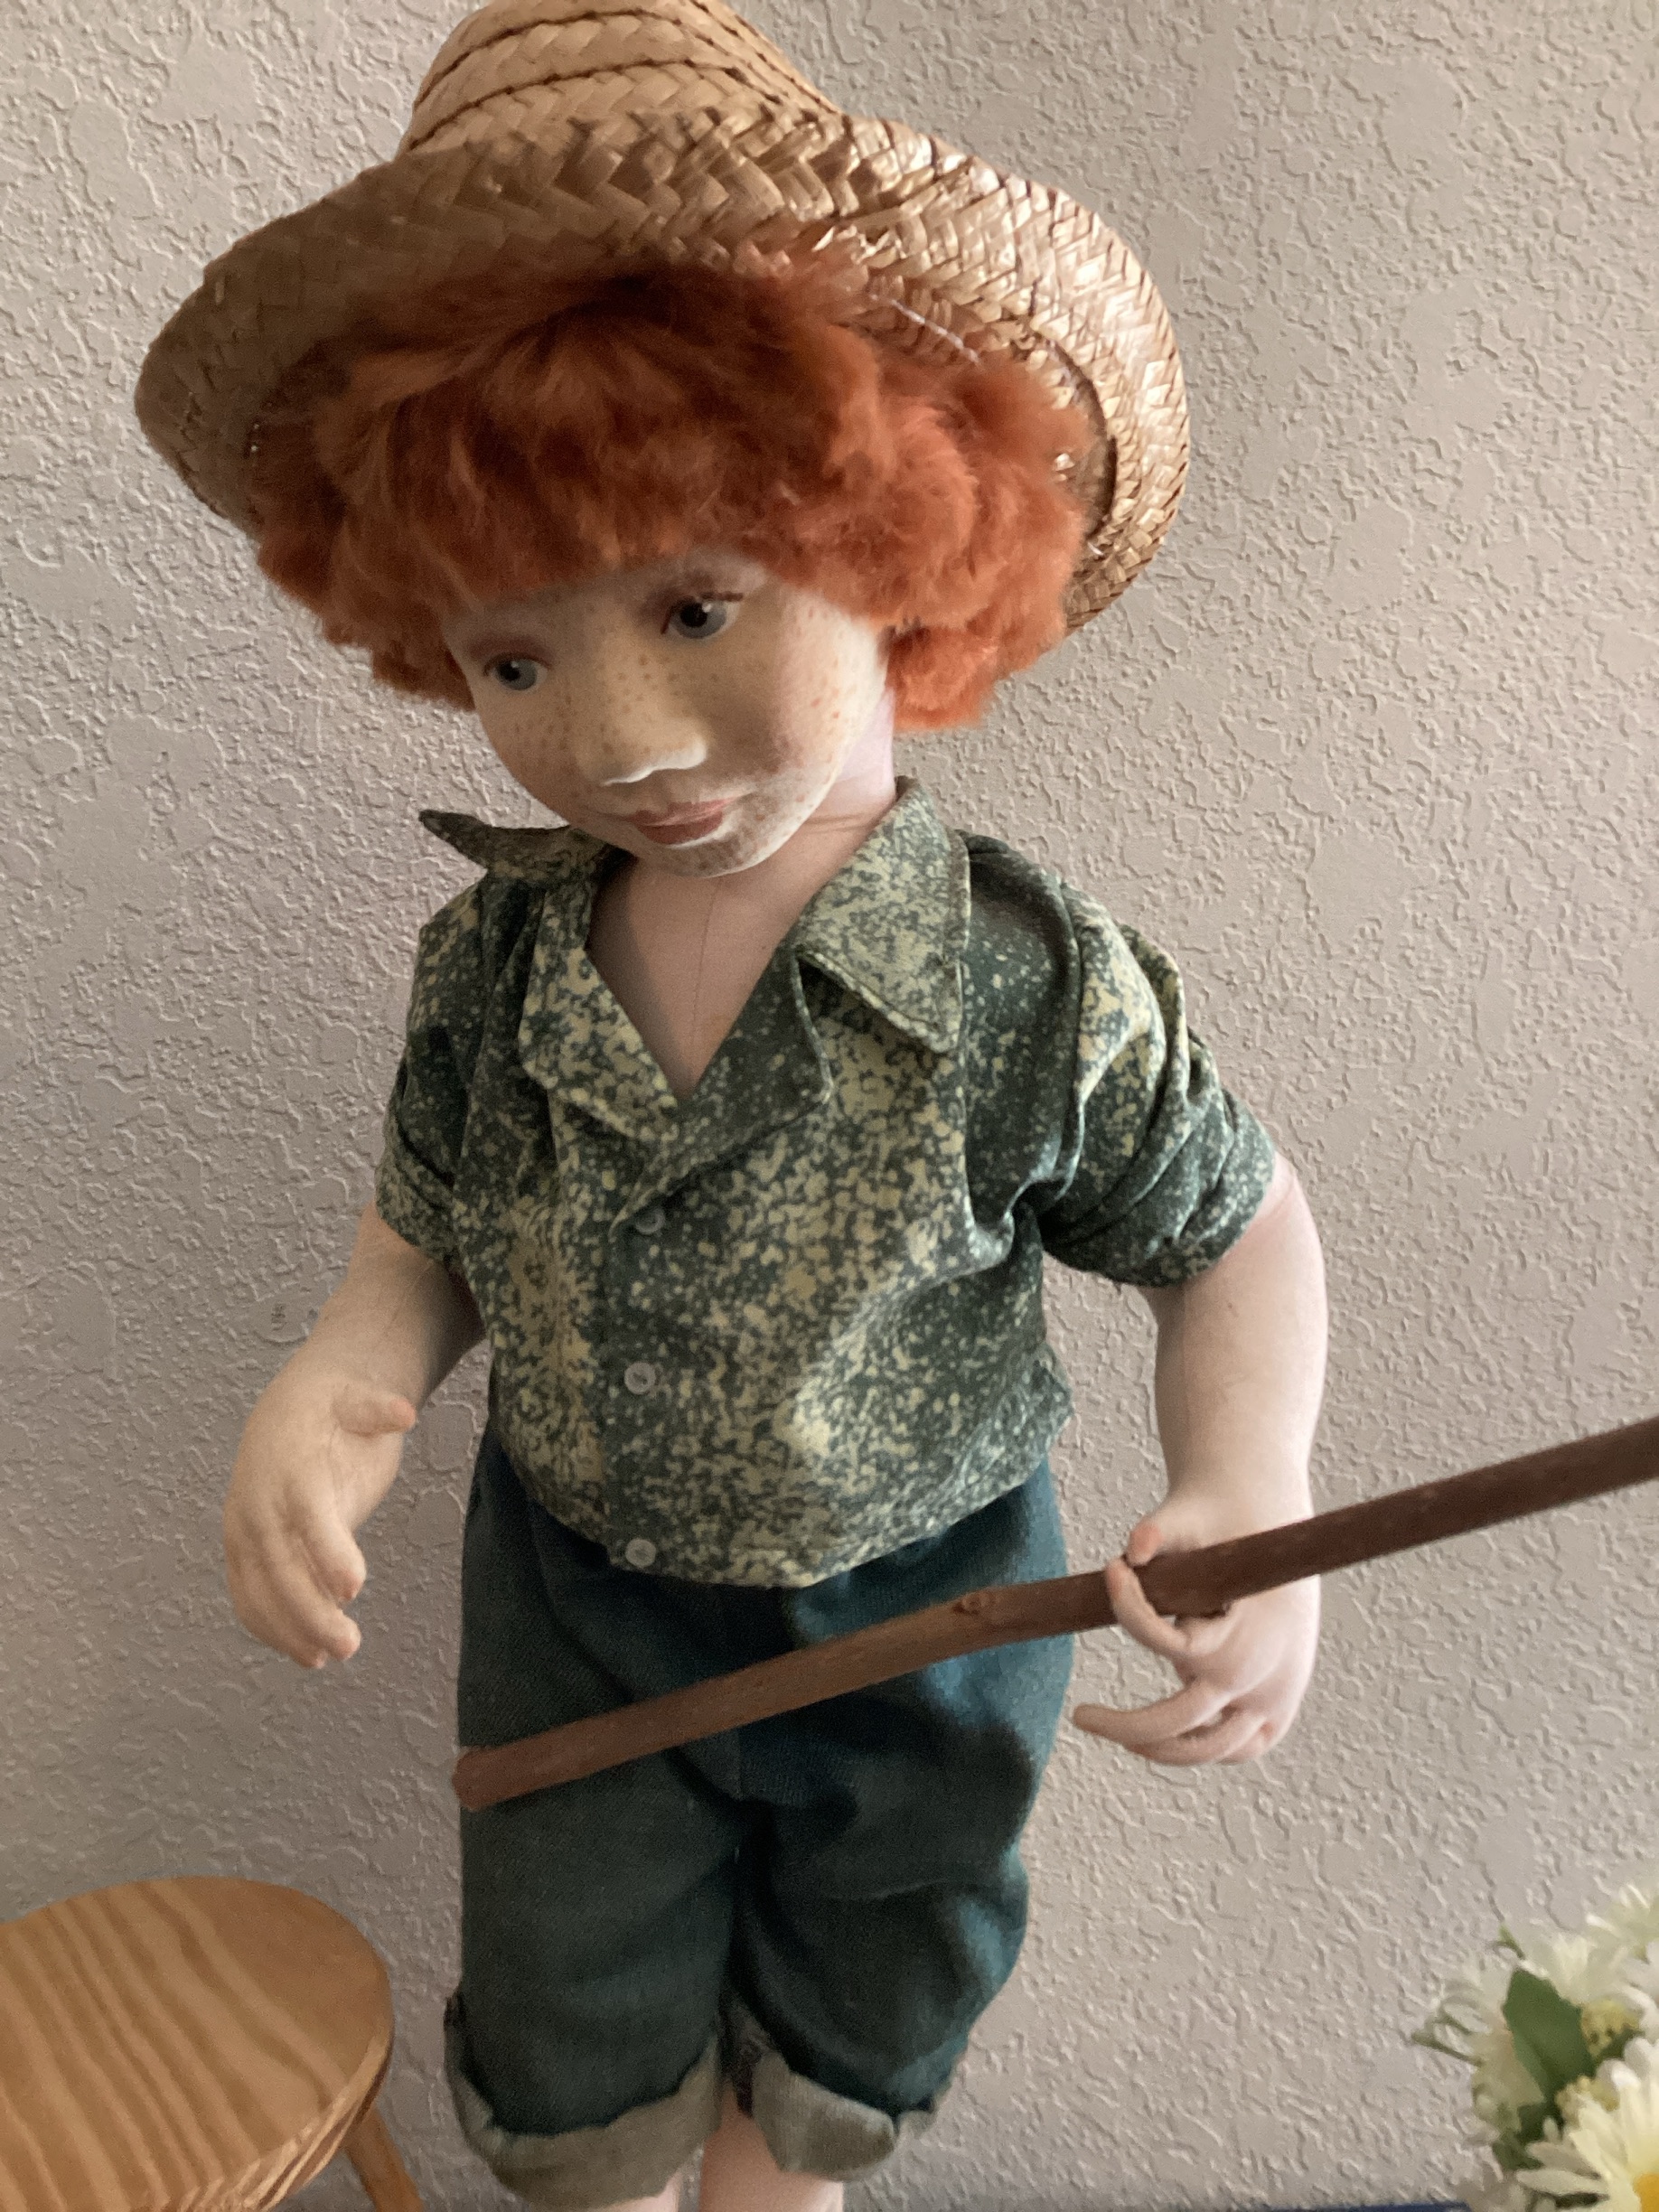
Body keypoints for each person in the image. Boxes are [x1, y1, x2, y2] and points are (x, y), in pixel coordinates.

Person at [136, 6, 1327, 2208]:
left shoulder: (1026, 985)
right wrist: (343, 1370)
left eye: (699, 606)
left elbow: (1231, 1228)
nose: (616, 735)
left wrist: (1245, 1476)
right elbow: (434, 1217)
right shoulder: (497, 966)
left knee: (856, 2022)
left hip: (927, 1622)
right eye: (514, 659)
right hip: (581, 1613)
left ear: (902, 545)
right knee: (579, 2043)